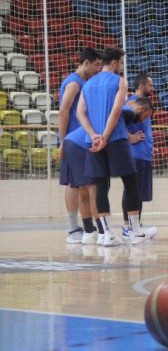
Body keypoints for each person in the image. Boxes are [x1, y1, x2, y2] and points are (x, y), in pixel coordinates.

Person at [76, 46, 148, 246]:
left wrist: (94, 135)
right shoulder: (119, 81)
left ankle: (106, 233)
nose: (122, 66)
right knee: (131, 182)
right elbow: (117, 110)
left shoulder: (88, 84)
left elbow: (80, 113)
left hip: (92, 141)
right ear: (115, 62)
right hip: (114, 139)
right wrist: (105, 137)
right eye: (122, 63)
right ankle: (134, 231)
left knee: (100, 186)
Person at [58, 47, 103, 243]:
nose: (99, 69)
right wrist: (62, 140)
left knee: (76, 183)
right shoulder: (74, 83)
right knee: (77, 184)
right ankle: (74, 228)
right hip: (75, 141)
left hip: (79, 139)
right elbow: (63, 111)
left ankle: (83, 228)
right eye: (97, 65)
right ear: (86, 63)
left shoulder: (85, 82)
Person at [122, 73, 155, 240]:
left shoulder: (144, 104)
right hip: (134, 153)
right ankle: (127, 226)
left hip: (144, 154)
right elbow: (118, 121)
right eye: (150, 85)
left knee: (139, 192)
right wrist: (130, 137)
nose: (152, 88)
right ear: (142, 85)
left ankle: (136, 225)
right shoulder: (131, 103)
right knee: (131, 190)